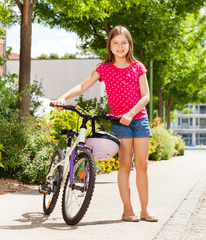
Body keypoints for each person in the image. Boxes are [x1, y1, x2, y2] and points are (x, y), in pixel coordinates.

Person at [52, 25, 157, 222]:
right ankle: (127, 210)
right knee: (125, 165)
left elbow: (146, 96)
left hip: (139, 120)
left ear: (129, 45)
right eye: (115, 43)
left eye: (123, 43)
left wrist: (131, 112)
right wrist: (63, 97)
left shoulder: (138, 67)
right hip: (119, 123)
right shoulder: (104, 69)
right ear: (109, 46)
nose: (120, 46)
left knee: (142, 165)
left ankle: (145, 210)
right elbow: (83, 86)